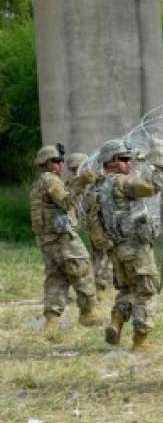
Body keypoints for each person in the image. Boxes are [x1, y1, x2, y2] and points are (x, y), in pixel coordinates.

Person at [83, 138, 163, 352]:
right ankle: (141, 341)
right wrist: (156, 160)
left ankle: (117, 320)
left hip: (114, 250)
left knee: (128, 288)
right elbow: (153, 187)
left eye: (129, 159)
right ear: (110, 161)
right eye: (124, 159)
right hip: (135, 248)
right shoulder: (123, 182)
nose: (129, 163)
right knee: (146, 291)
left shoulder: (95, 188)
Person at [30, 144, 103, 339]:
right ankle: (89, 312)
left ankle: (51, 322)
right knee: (82, 267)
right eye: (56, 161)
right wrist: (82, 184)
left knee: (57, 278)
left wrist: (76, 182)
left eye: (61, 160)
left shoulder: (41, 183)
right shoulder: (51, 180)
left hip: (47, 241)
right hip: (61, 238)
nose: (61, 164)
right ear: (46, 164)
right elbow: (66, 202)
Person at [65, 152, 115, 306]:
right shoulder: (72, 183)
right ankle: (94, 289)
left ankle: (100, 288)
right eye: (73, 169)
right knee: (91, 258)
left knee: (102, 256)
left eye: (77, 168)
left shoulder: (96, 180)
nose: (75, 172)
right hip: (83, 225)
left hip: (98, 223)